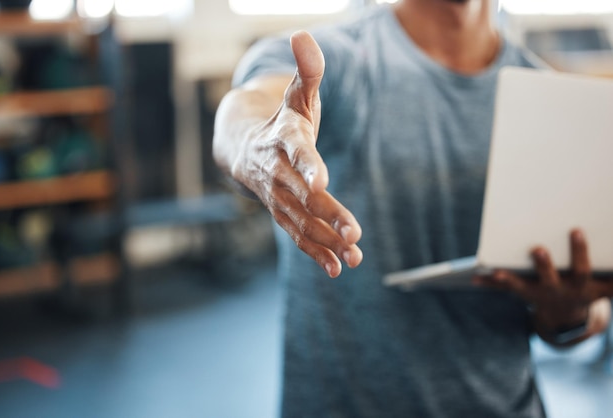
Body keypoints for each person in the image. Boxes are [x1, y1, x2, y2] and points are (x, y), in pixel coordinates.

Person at [213, 0, 613, 416]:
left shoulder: (552, 103)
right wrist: (254, 148)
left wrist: (570, 311)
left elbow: (591, 310)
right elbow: (248, 108)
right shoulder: (335, 60)